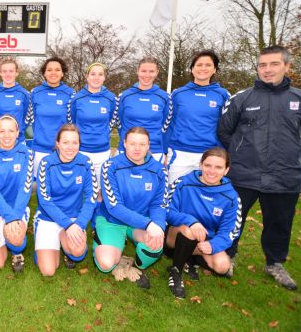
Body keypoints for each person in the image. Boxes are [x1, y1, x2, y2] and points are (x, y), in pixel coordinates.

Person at [218, 45, 301, 290]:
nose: (267, 69)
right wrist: (242, 154)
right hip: (244, 174)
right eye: (263, 65)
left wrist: (290, 154)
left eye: (274, 64)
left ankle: (274, 262)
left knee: (280, 222)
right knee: (233, 219)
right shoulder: (242, 97)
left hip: (285, 176)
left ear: (286, 66)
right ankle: (228, 256)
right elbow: (224, 132)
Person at [165, 147, 241, 299]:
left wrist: (213, 245)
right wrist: (191, 222)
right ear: (201, 165)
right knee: (190, 231)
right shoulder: (183, 183)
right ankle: (176, 272)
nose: (212, 171)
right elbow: (167, 210)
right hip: (175, 237)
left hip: (203, 241)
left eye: (218, 167)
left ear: (226, 170)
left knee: (222, 266)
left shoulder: (231, 197)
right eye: (208, 165)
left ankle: (190, 259)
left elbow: (230, 231)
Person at [95, 127, 167, 289]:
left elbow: (159, 204)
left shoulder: (159, 170)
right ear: (124, 144)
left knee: (155, 245)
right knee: (106, 263)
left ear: (148, 146)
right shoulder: (110, 167)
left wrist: (158, 226)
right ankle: (114, 254)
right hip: (112, 220)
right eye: (133, 143)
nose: (137, 148)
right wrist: (149, 225)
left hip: (139, 223)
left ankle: (134, 264)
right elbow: (114, 207)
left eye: (142, 144)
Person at [34, 124, 97, 276]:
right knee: (48, 271)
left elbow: (91, 198)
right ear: (57, 143)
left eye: (74, 143)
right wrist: (68, 225)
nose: (70, 147)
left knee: (77, 252)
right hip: (48, 218)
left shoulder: (85, 163)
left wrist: (79, 224)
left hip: (74, 219)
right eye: (65, 142)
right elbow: (45, 201)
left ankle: (65, 244)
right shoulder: (46, 163)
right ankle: (45, 243)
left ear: (79, 144)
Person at [166, 50, 230, 183]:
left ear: (214, 70)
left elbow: (226, 127)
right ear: (192, 69)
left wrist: (221, 153)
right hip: (179, 154)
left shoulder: (223, 95)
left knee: (204, 197)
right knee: (174, 195)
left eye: (208, 65)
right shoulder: (177, 94)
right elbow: (169, 124)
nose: (203, 68)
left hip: (210, 155)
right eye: (199, 65)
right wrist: (165, 151)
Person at [0, 115, 34, 272]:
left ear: (18, 132)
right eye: (2, 131)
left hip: (17, 208)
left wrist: (13, 216)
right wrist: (8, 217)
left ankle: (16, 251)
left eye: (11, 130)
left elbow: (26, 188)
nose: (7, 135)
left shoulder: (26, 153)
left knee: (16, 240)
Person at [68, 62, 117, 181]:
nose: (96, 77)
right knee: (80, 188)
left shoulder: (111, 98)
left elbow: (111, 121)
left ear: (104, 77)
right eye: (93, 74)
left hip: (102, 151)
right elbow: (72, 121)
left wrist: (101, 135)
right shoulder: (77, 98)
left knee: (101, 190)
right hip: (81, 150)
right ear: (87, 76)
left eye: (100, 74)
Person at [117, 57, 171, 161]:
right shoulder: (124, 96)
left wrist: (164, 150)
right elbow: (119, 123)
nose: (147, 75)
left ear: (157, 72)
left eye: (151, 71)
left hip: (155, 150)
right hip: (127, 150)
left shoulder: (164, 97)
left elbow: (166, 125)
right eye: (143, 71)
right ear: (137, 71)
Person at [29, 57, 75, 171]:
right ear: (44, 73)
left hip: (62, 149)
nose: (53, 73)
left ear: (62, 73)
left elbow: (73, 121)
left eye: (57, 70)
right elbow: (31, 118)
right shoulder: (35, 92)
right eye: (49, 70)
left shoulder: (70, 93)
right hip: (39, 149)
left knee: (61, 185)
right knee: (41, 186)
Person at [0, 58, 30, 144]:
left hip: (18, 141)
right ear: (0, 73)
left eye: (11, 71)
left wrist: (19, 130)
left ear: (16, 73)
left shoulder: (25, 94)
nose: (8, 74)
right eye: (4, 71)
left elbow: (27, 116)